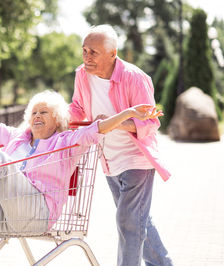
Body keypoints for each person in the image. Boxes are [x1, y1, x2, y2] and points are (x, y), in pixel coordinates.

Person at [0, 90, 162, 234]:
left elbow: (98, 129)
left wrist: (126, 113)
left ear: (57, 119)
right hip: (2, 217)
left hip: (38, 215)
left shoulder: (66, 140)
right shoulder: (17, 138)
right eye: (33, 112)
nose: (37, 116)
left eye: (44, 112)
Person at [69, 24, 173, 266]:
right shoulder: (82, 74)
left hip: (136, 158)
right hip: (108, 159)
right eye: (84, 50)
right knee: (137, 220)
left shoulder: (135, 78)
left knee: (128, 221)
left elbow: (151, 122)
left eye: (93, 52)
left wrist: (115, 124)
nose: (86, 56)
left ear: (112, 53)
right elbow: (77, 107)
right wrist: (60, 119)